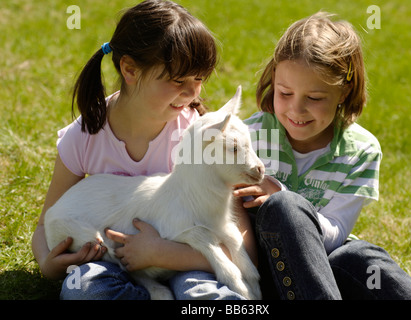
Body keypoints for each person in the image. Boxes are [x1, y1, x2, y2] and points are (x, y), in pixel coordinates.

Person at [31, 0, 249, 300]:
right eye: (177, 80)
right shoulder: (83, 136)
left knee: (202, 292)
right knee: (85, 289)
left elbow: (231, 233)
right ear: (130, 70)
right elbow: (46, 223)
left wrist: (164, 254)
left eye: (199, 79)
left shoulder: (199, 135)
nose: (192, 92)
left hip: (184, 255)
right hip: (109, 260)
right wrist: (47, 263)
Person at [233, 12, 411, 300]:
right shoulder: (247, 137)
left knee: (360, 255)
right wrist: (282, 203)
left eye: (314, 98)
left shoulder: (361, 150)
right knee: (284, 206)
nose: (296, 110)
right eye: (285, 92)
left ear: (344, 91)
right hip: (262, 273)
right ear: (273, 78)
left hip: (320, 274)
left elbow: (336, 233)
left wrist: (281, 193)